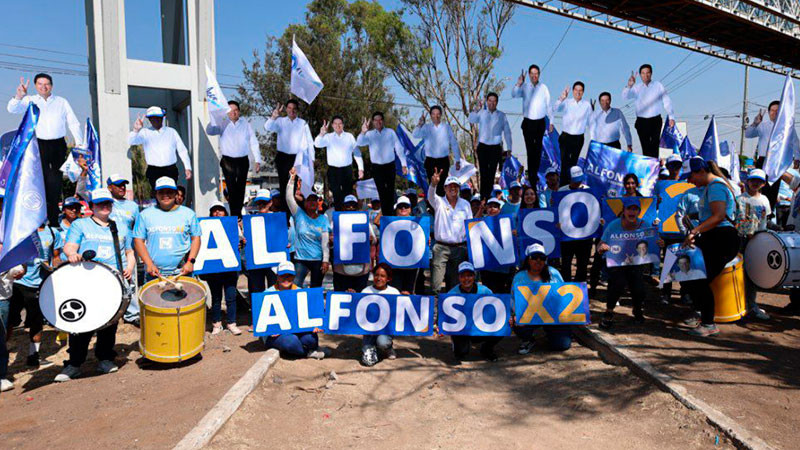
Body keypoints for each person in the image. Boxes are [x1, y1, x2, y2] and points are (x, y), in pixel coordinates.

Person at [55, 188, 137, 382]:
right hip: (86, 281)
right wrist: (72, 254)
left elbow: (130, 252)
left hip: (113, 281)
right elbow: (69, 246)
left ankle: (105, 358)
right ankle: (74, 364)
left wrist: (130, 268)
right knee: (81, 322)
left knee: (109, 323)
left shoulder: (119, 227)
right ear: (91, 207)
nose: (105, 206)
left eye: (108, 203)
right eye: (100, 203)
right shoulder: (81, 224)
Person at [8, 74, 83, 226]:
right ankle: (38, 220)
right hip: (37, 145)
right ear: (35, 86)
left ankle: (54, 221)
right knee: (37, 180)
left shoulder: (61, 101)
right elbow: (12, 109)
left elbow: (73, 123)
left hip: (57, 145)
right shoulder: (30, 100)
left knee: (54, 182)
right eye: (40, 84)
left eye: (47, 84)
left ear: (52, 85)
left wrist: (80, 144)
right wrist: (19, 96)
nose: (44, 87)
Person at [682, 157, 739, 336]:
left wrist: (695, 231)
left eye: (691, 177)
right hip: (714, 238)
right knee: (692, 278)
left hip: (722, 239)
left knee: (699, 279)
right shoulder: (711, 187)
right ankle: (704, 317)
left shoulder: (715, 187)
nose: (690, 181)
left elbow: (719, 216)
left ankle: (708, 323)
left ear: (700, 171)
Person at [9, 221, 63, 368]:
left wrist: (53, 266)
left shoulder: (53, 232)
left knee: (36, 321)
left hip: (41, 284)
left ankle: (34, 356)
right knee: (9, 322)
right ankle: (4, 355)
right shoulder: (21, 229)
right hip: (19, 283)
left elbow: (56, 255)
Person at [133, 177, 201, 280]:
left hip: (182, 273)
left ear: (175, 194)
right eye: (161, 192)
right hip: (155, 274)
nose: (165, 195)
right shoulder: (144, 215)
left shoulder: (189, 214)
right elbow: (138, 240)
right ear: (156, 194)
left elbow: (196, 238)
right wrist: (149, 263)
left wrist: (190, 262)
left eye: (169, 192)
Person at [597, 198, 649, 328]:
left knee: (638, 287)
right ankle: (609, 312)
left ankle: (637, 310)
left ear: (639, 211)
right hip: (617, 262)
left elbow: (653, 243)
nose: (632, 211)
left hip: (636, 262)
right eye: (629, 208)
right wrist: (602, 247)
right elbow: (601, 243)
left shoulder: (645, 225)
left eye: (635, 209)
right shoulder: (613, 225)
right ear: (623, 211)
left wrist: (660, 243)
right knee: (617, 283)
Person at [511, 243, 572, 354]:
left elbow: (564, 295)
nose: (538, 260)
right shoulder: (519, 277)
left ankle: (551, 333)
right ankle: (528, 339)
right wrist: (516, 315)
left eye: (542, 258)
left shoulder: (554, 273)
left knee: (562, 345)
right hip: (529, 314)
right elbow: (513, 299)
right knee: (517, 323)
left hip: (552, 315)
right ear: (528, 260)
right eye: (534, 257)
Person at [206, 100, 262, 218]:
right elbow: (209, 131)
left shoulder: (246, 124)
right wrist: (213, 118)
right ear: (227, 112)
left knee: (240, 188)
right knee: (231, 188)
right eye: (231, 110)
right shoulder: (222, 123)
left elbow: (253, 142)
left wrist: (257, 160)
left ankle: (238, 215)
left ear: (239, 111)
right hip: (228, 161)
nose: (233, 113)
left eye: (236, 110)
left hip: (242, 160)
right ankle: (234, 216)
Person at [260, 261, 325, 359]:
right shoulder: (267, 293)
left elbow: (309, 314)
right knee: (292, 342)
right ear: (277, 276)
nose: (286, 279)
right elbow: (261, 320)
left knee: (312, 339)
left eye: (289, 275)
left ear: (294, 276)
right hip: (275, 334)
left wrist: (315, 324)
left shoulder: (300, 291)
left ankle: (302, 349)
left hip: (295, 330)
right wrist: (270, 329)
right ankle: (308, 353)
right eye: (283, 275)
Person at [744, 100, 800, 207]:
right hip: (763, 160)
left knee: (772, 189)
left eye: (777, 111)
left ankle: (768, 213)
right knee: (758, 186)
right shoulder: (763, 126)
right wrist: (755, 123)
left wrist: (797, 158)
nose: (774, 113)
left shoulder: (787, 127)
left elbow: (795, 142)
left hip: (776, 161)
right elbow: (748, 134)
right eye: (772, 110)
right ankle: (755, 207)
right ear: (769, 112)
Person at [263, 99, 313, 212]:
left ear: (297, 110)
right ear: (286, 109)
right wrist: (273, 116)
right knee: (283, 186)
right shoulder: (280, 121)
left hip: (297, 158)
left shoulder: (302, 123)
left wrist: (312, 158)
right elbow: (267, 127)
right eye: (289, 108)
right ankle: (285, 214)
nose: (292, 111)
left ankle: (292, 213)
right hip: (283, 157)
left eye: (294, 109)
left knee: (293, 187)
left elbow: (309, 141)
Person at [428, 170, 473, 294]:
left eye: (455, 186)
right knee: (436, 283)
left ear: (459, 188)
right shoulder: (438, 202)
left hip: (459, 248)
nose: (453, 188)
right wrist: (433, 184)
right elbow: (430, 196)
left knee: (455, 284)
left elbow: (470, 225)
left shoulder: (465, 204)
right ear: (445, 188)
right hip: (441, 247)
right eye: (450, 186)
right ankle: (435, 309)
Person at [128, 106, 192, 191]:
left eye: (158, 118)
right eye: (153, 118)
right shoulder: (145, 132)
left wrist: (188, 167)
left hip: (171, 169)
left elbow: (182, 150)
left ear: (162, 118)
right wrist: (136, 130)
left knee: (171, 193)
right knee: (157, 194)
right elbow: (131, 141)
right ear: (149, 119)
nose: (156, 120)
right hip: (153, 170)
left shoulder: (172, 132)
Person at [357, 112, 408, 216]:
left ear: (383, 121)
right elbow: (359, 142)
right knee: (381, 191)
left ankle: (390, 214)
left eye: (380, 120)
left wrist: (404, 164)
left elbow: (399, 148)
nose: (378, 122)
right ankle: (386, 214)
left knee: (390, 191)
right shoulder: (369, 134)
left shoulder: (390, 132)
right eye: (376, 120)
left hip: (389, 166)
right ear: (373, 122)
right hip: (377, 167)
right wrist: (363, 132)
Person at [106, 174, 141, 324]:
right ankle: (110, 312)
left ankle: (132, 314)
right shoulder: (106, 203)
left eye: (124, 185)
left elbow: (137, 227)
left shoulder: (132, 206)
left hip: (128, 248)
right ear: (109, 188)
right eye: (118, 185)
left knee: (129, 278)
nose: (122, 188)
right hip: (110, 246)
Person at [448, 262, 501, 361]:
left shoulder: (485, 291)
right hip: (462, 329)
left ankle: (487, 349)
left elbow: (496, 307)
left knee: (503, 325)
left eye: (469, 275)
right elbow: (446, 316)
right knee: (461, 353)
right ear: (459, 278)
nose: (466, 279)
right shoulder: (452, 294)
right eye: (463, 276)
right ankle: (459, 344)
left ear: (474, 276)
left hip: (481, 325)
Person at [202, 202, 242, 335]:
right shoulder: (205, 227)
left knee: (231, 297)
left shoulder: (233, 225)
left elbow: (241, 241)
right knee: (216, 297)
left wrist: (242, 243)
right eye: (214, 210)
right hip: (214, 270)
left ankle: (231, 323)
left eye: (220, 210)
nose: (217, 213)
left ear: (225, 212)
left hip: (230, 268)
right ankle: (216, 324)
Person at [286, 168, 330, 288]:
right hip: (301, 260)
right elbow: (289, 198)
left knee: (315, 289)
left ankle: (315, 307)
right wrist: (292, 178)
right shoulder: (298, 214)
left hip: (317, 260)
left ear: (317, 203)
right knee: (295, 286)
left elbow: (325, 242)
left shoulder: (323, 219)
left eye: (314, 200)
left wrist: (325, 260)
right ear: (305, 203)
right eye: (309, 200)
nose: (311, 202)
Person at [737, 169, 771, 320]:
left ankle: (751, 306)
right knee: (740, 273)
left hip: (759, 241)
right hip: (742, 240)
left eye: (759, 181)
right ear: (747, 181)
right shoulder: (740, 199)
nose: (755, 183)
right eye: (753, 180)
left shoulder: (764, 200)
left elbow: (766, 219)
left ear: (763, 184)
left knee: (753, 274)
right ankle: (738, 305)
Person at [512, 64, 553, 186]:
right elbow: (514, 94)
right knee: (530, 151)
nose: (534, 76)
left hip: (540, 122)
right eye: (532, 74)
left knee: (537, 151)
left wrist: (551, 122)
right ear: (529, 75)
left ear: (539, 75)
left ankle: (535, 176)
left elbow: (549, 105)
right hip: (528, 123)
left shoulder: (543, 88)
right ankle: (531, 178)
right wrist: (518, 83)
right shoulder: (524, 87)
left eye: (536, 73)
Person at [622, 64, 675, 158]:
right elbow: (625, 96)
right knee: (645, 147)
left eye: (647, 73)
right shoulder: (636, 88)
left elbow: (666, 99)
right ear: (640, 75)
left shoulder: (658, 85)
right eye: (643, 73)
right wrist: (629, 85)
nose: (645, 75)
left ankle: (655, 168)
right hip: (642, 122)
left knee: (654, 147)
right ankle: (648, 169)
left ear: (651, 74)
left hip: (655, 120)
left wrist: (671, 116)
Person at [469, 92, 512, 200]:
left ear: (497, 102)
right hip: (483, 147)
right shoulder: (482, 113)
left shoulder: (501, 115)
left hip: (495, 148)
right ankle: (483, 198)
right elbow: (471, 119)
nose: (492, 103)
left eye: (494, 101)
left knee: (491, 173)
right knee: (483, 173)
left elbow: (507, 131)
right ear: (487, 102)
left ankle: (488, 197)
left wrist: (509, 147)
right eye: (490, 101)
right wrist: (476, 109)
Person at [315, 116, 364, 210]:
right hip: (333, 170)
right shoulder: (328, 137)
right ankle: (338, 214)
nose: (338, 125)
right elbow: (317, 144)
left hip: (347, 170)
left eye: (340, 123)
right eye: (335, 123)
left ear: (343, 125)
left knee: (348, 194)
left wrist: (360, 168)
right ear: (332, 125)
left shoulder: (349, 136)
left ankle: (349, 212)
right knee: (336, 194)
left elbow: (356, 152)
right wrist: (321, 134)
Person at [415, 106, 462, 197]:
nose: (435, 116)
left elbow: (454, 143)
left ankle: (441, 208)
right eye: (433, 114)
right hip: (430, 161)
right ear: (430, 115)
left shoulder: (446, 127)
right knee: (432, 185)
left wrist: (457, 160)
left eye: (438, 114)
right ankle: (432, 209)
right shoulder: (426, 127)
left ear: (440, 115)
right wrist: (419, 124)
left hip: (443, 161)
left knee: (442, 186)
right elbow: (415, 135)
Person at [332, 195, 374, 293]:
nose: (351, 207)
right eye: (348, 205)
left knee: (359, 300)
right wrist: (331, 241)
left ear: (357, 207)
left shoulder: (364, 221)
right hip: (341, 271)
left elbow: (374, 239)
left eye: (353, 205)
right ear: (343, 207)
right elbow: (329, 241)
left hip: (361, 271)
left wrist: (371, 239)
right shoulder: (335, 221)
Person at [360, 263, 399, 366]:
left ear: (388, 278)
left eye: (382, 276)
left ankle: (388, 347)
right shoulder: (366, 291)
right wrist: (350, 296)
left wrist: (406, 299)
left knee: (382, 342)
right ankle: (371, 345)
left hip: (385, 330)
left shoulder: (394, 292)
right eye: (376, 275)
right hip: (369, 331)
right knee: (368, 362)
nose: (378, 278)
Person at [558, 167, 592, 282]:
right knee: (566, 264)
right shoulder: (561, 191)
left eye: (579, 179)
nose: (578, 182)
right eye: (575, 179)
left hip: (585, 235)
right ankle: (566, 287)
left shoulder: (589, 190)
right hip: (567, 236)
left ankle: (580, 290)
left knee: (582, 264)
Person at [554, 81, 591, 184]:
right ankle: (563, 186)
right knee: (565, 163)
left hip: (578, 138)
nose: (578, 93)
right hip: (566, 137)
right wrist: (561, 98)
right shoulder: (566, 102)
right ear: (573, 91)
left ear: (583, 92)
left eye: (580, 91)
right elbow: (555, 108)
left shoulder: (587, 105)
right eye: (576, 90)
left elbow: (591, 122)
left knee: (573, 164)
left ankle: (572, 185)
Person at [479, 197, 513, 294]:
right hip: (486, 266)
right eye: (490, 206)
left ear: (499, 209)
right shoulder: (480, 222)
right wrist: (480, 209)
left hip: (502, 268)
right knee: (488, 291)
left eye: (495, 207)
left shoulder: (506, 222)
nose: (492, 209)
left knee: (500, 290)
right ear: (486, 209)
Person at [389, 196, 421, 294]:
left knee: (408, 292)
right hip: (394, 265)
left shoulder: (417, 223)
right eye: (400, 206)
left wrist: (426, 241)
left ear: (410, 209)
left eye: (406, 206)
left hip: (411, 265)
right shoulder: (389, 223)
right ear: (396, 208)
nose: (403, 209)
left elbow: (421, 240)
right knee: (395, 292)